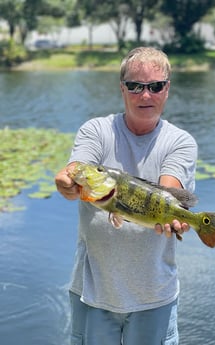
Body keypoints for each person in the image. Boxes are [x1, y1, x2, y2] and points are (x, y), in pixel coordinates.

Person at [55, 46, 198, 345]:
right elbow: (75, 171)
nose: (145, 96)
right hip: (92, 293)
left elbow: (167, 187)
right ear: (122, 88)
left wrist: (173, 217)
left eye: (155, 86)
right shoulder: (96, 130)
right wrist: (66, 183)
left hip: (154, 296)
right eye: (135, 86)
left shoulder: (180, 142)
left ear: (167, 89)